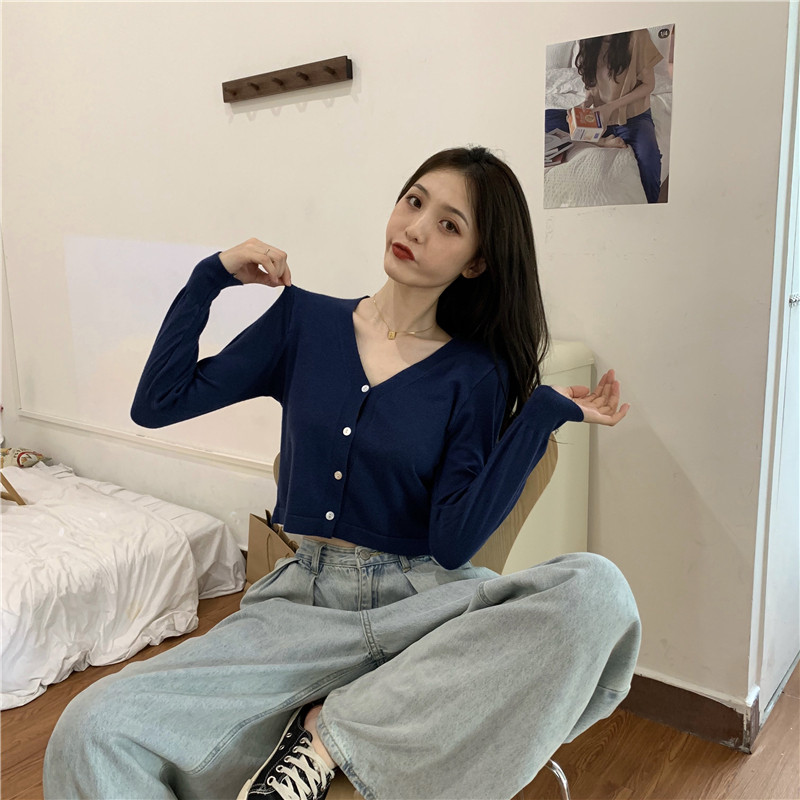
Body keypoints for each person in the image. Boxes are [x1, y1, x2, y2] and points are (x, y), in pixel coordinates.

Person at [44, 146, 641, 800]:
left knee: (598, 591)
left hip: (424, 605)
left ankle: (326, 739)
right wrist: (209, 277)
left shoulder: (477, 373)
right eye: (414, 202)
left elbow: (453, 544)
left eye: (449, 224)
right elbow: (157, 403)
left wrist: (541, 414)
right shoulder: (304, 322)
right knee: (92, 728)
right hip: (302, 606)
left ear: (475, 262)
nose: (416, 228)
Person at [545, 29, 664, 203]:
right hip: (599, 116)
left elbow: (649, 85)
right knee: (548, 118)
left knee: (649, 159)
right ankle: (601, 142)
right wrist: (586, 103)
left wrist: (610, 107)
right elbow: (591, 84)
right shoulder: (588, 38)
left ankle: (651, 210)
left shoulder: (638, 35)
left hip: (633, 116)